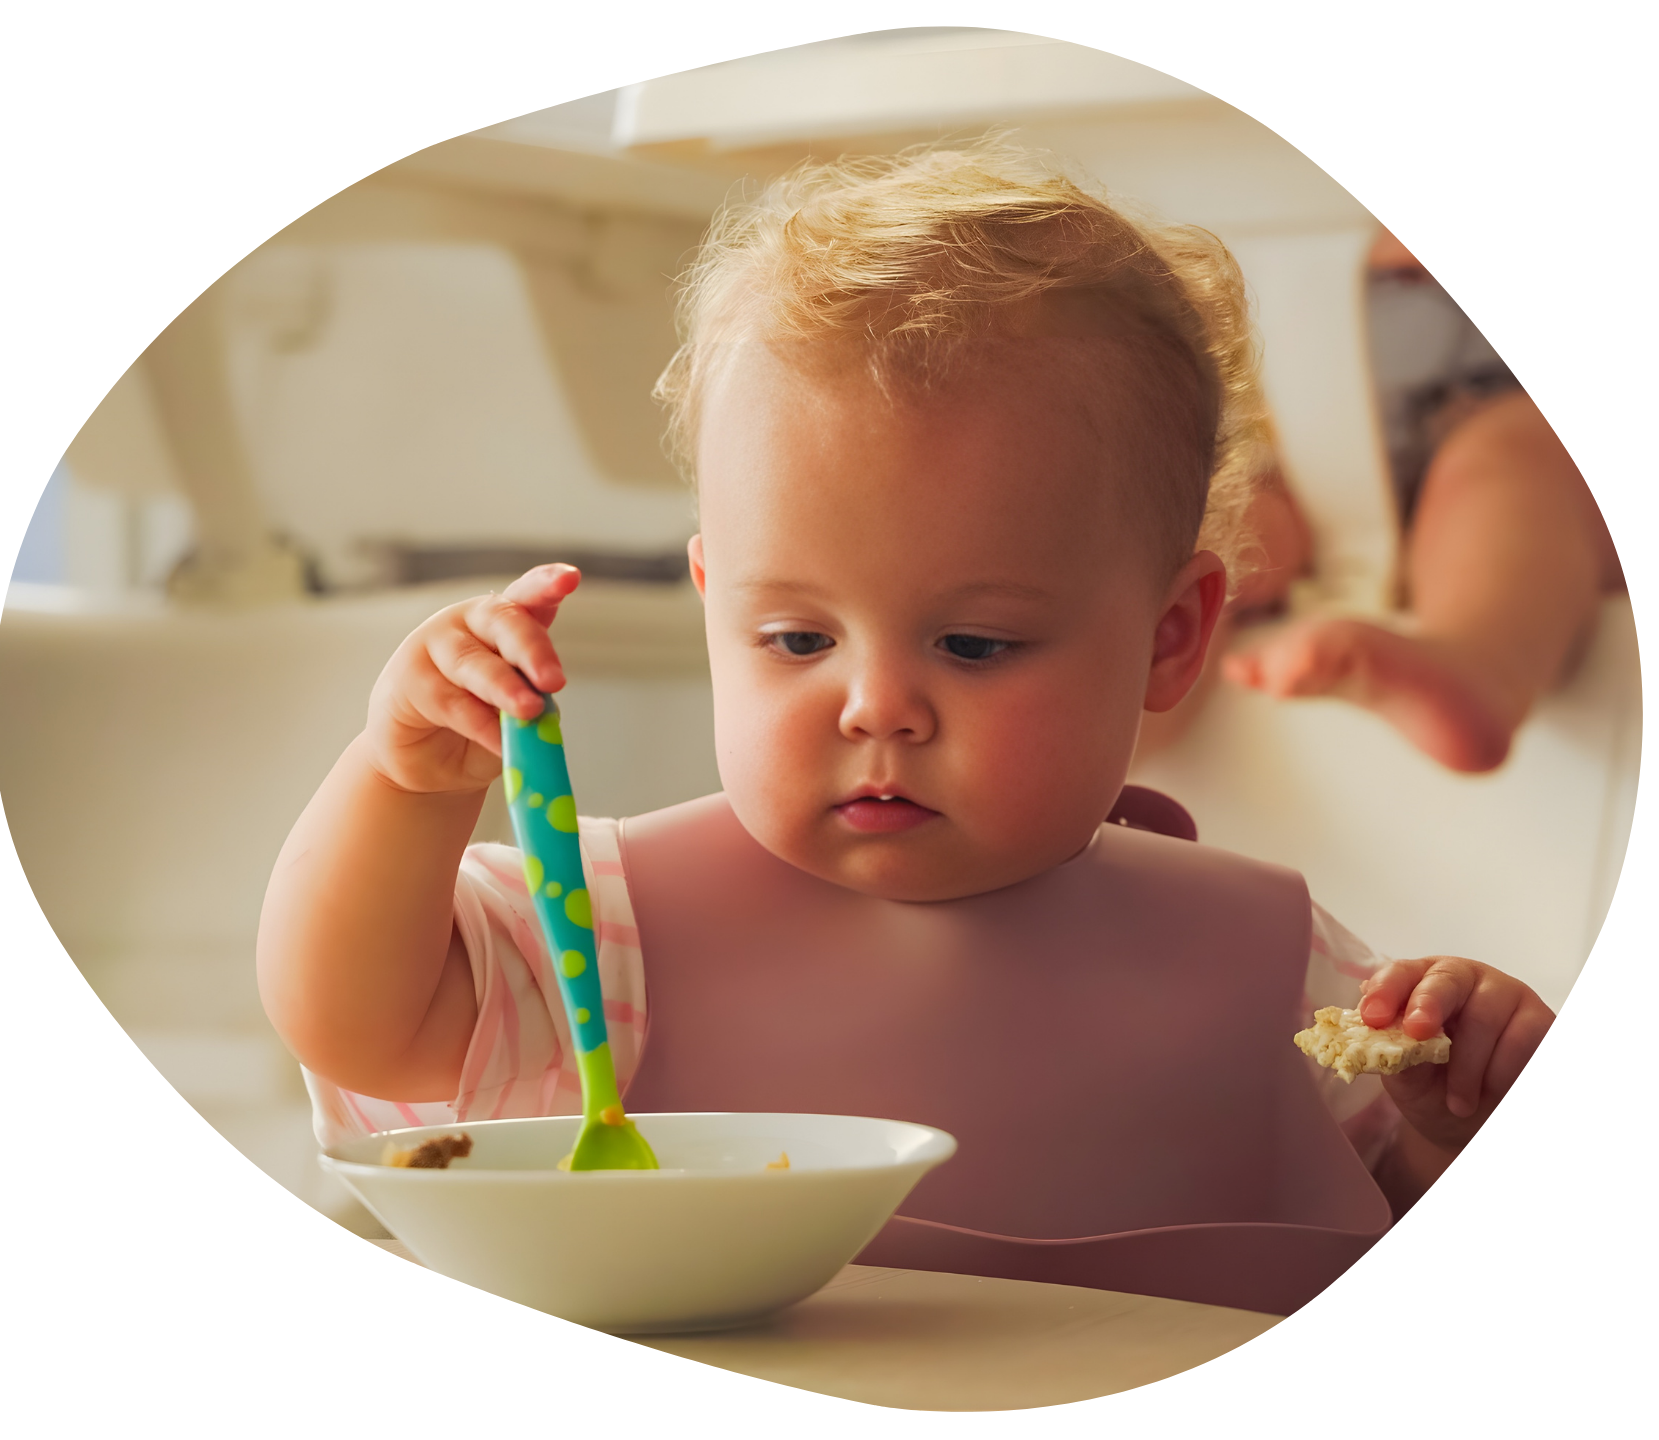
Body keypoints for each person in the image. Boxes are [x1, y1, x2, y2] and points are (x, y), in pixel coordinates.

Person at [257, 143, 1552, 1314]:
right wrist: (407, 782)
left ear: (1171, 637)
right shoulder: (607, 933)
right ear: (717, 607)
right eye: (796, 641)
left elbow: (1363, 1211)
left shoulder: (1282, 969)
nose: (872, 705)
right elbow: (356, 1019)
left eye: (975, 644)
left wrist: (1444, 1122)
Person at [1220, 230, 1623, 773]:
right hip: (1484, 447)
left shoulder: (1183, 335)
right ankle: (1477, 667)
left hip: (1386, 306)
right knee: (1503, 482)